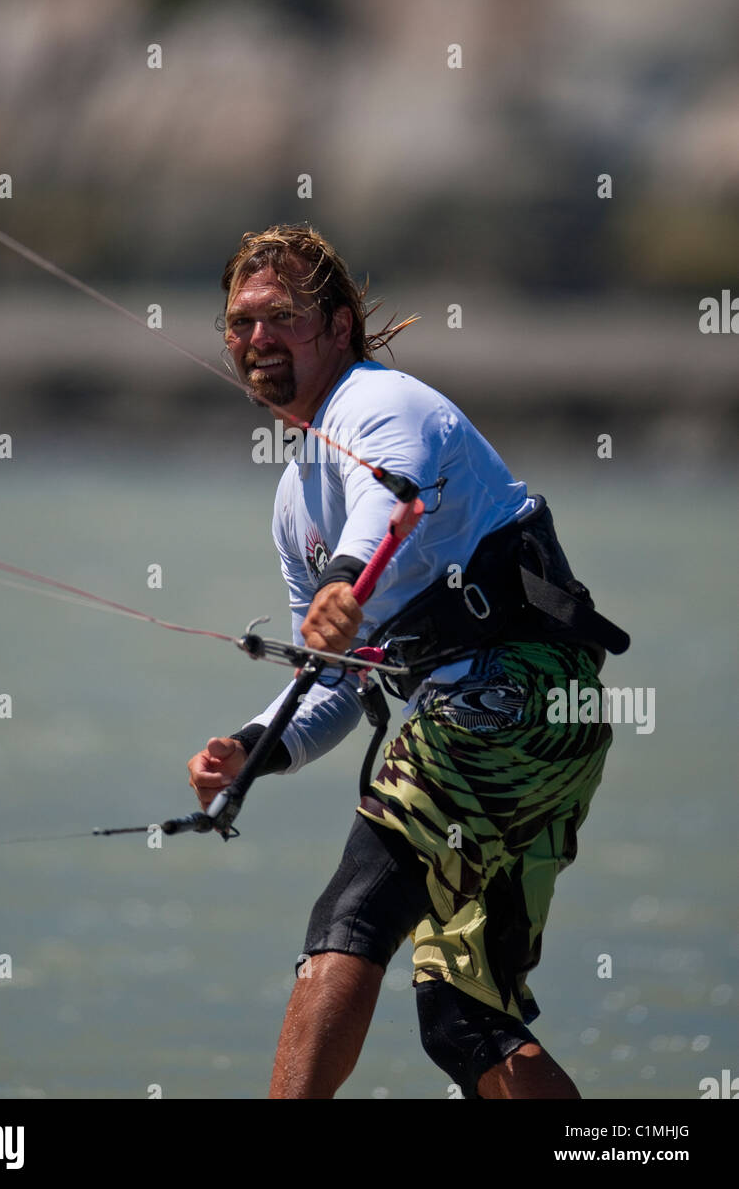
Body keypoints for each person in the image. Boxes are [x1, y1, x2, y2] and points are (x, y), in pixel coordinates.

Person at [187, 224, 626, 1100]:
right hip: (541, 726)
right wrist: (252, 749)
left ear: (340, 326)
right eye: (240, 323)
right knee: (464, 1017)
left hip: (511, 695)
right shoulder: (292, 502)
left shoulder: (382, 406)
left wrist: (346, 585)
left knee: (352, 912)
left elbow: (393, 497)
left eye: (281, 318)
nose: (256, 340)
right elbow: (338, 684)